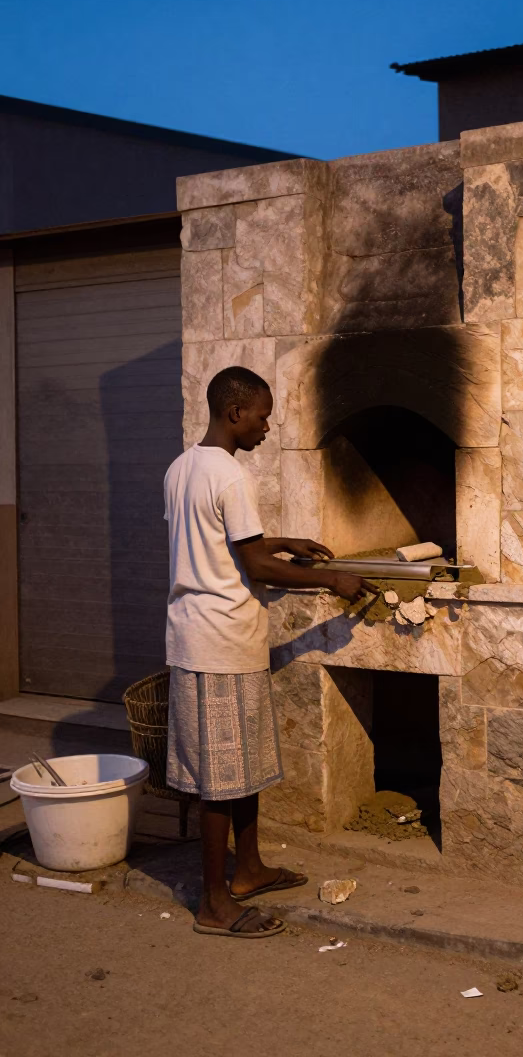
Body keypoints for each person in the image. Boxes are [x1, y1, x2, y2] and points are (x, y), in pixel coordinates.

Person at [164, 365, 373, 937]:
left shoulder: (183, 468)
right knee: (219, 776)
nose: (267, 425)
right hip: (217, 641)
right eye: (262, 414)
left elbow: (223, 541)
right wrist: (334, 581)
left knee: (243, 766)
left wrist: (283, 541)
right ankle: (215, 902)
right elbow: (252, 564)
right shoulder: (231, 476)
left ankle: (249, 870)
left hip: (201, 635)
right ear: (235, 413)